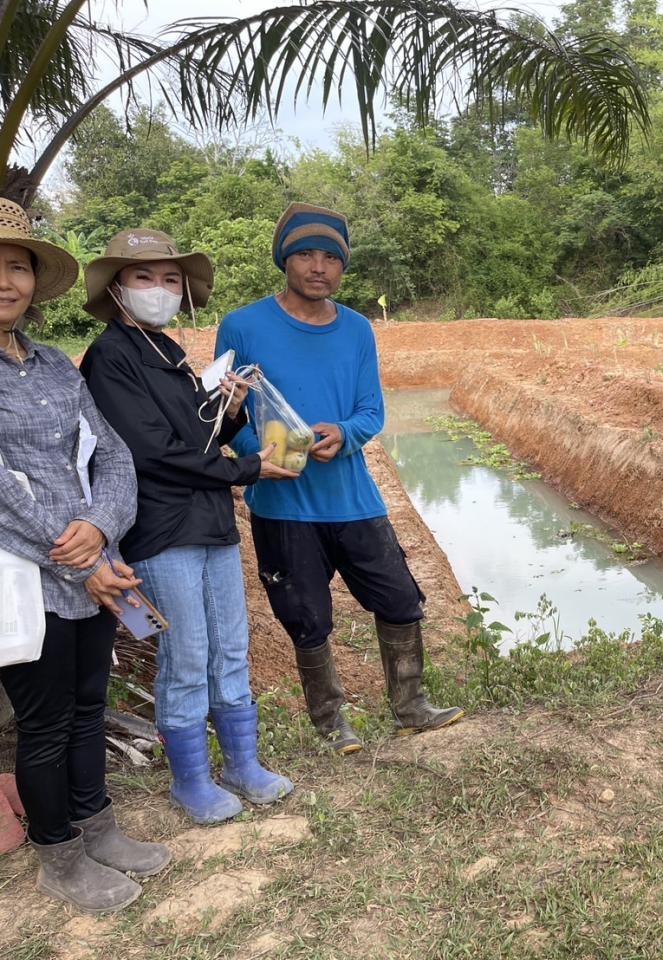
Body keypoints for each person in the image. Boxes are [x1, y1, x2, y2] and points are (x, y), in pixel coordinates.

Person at [215, 202, 463, 754]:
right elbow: (226, 415)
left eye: (330, 257)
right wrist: (269, 456)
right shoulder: (243, 325)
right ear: (285, 259)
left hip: (353, 498)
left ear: (343, 267)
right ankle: (331, 724)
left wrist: (343, 435)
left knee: (399, 598)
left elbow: (372, 411)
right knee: (306, 618)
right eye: (305, 253)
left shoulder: (356, 329)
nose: (318, 266)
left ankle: (411, 706)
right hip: (282, 504)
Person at [79, 229, 296, 823]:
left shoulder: (170, 352)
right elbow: (148, 452)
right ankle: (192, 781)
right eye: (143, 277)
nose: (159, 289)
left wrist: (229, 413)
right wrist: (247, 466)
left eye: (170, 279)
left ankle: (243, 766)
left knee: (230, 646)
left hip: (211, 522)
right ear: (118, 289)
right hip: (160, 528)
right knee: (187, 652)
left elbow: (196, 439)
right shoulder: (111, 356)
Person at [0, 199, 168, 913]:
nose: (5, 280)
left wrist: (101, 528)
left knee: (87, 705)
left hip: (92, 572)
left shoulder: (54, 367)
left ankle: (97, 823)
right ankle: (58, 856)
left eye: (15, 266)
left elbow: (113, 455)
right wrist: (77, 555)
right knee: (42, 723)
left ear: (35, 281)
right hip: (22, 576)